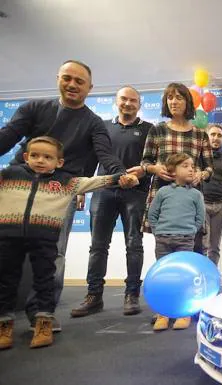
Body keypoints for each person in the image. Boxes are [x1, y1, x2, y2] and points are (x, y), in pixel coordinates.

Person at [0, 60, 134, 331]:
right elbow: (8, 136)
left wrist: (121, 174)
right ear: (58, 78)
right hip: (18, 188)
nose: (72, 84)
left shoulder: (94, 123)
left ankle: (42, 314)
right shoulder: (34, 107)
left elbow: (105, 156)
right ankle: (4, 314)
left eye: (79, 81)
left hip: (60, 192)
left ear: (89, 88)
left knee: (54, 253)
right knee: (7, 253)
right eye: (67, 78)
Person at [0, 136, 137, 350]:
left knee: (45, 281)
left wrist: (121, 177)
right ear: (25, 157)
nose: (40, 160)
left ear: (59, 162)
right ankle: (4, 325)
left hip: (44, 241)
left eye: (47, 157)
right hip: (8, 239)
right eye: (34, 155)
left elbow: (94, 181)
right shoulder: (9, 175)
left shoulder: (65, 182)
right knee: (6, 282)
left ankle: (43, 322)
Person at [70, 86, 153, 318]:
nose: (128, 104)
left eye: (133, 100)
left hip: (135, 195)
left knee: (134, 245)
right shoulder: (102, 127)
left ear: (139, 104)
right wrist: (80, 189)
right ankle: (94, 296)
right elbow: (90, 159)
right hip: (103, 192)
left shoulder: (149, 129)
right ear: (116, 102)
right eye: (124, 99)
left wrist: (142, 174)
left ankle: (132, 294)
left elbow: (152, 163)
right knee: (97, 247)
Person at [137, 83, 212, 235]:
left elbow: (209, 168)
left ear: (187, 102)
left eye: (178, 98)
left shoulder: (200, 134)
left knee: (193, 248)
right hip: (163, 196)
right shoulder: (157, 129)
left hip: (190, 196)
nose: (173, 102)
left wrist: (201, 174)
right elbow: (145, 162)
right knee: (164, 247)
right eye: (170, 98)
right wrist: (155, 169)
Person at [147, 153, 205, 332]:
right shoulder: (163, 192)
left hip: (185, 240)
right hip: (163, 240)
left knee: (183, 277)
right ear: (172, 170)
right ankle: (163, 314)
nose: (191, 169)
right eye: (185, 166)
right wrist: (157, 231)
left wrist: (191, 231)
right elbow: (152, 214)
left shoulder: (196, 194)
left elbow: (200, 217)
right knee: (164, 277)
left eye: (192, 166)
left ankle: (183, 313)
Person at [200, 124, 222, 265]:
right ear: (207, 136)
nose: (216, 138)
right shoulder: (199, 156)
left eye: (219, 135)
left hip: (221, 205)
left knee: (215, 246)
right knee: (202, 244)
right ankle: (201, 277)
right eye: (213, 134)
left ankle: (211, 277)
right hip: (202, 204)